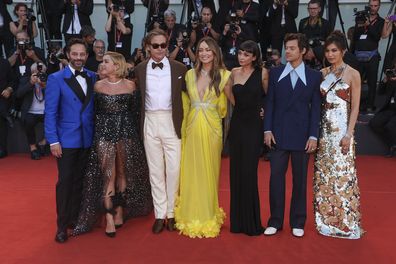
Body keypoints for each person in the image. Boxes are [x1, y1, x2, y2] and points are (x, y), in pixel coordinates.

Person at [73, 52, 152, 237]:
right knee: (108, 174)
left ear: (117, 65)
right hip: (104, 135)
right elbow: (93, 112)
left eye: (106, 62)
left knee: (123, 173)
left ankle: (119, 210)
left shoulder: (131, 85)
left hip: (126, 133)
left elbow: (135, 112)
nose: (102, 64)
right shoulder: (98, 86)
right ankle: (108, 217)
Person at [263, 33, 321, 238]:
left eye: (292, 48)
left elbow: (315, 109)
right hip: (278, 135)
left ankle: (298, 221)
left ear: (303, 51)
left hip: (302, 136)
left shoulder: (314, 76)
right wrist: (267, 130)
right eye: (286, 47)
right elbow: (269, 103)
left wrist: (313, 135)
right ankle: (275, 221)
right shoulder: (275, 72)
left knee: (300, 181)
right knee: (275, 179)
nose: (287, 51)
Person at [175, 37, 231, 238]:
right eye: (200, 50)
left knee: (209, 171)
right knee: (191, 170)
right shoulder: (189, 75)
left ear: (215, 52)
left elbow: (231, 104)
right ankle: (189, 214)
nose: (204, 53)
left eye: (208, 50)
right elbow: (185, 104)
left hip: (212, 129)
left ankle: (208, 216)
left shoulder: (225, 75)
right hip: (191, 127)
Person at [134, 29, 187, 234]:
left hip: (171, 121)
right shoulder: (139, 69)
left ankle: (171, 213)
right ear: (148, 47)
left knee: (173, 170)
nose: (159, 49)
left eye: (163, 45)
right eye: (155, 46)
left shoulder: (179, 68)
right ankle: (159, 214)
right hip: (150, 121)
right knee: (155, 171)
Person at [44, 38, 96, 243]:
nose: (78, 58)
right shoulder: (56, 78)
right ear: (67, 55)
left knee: (80, 182)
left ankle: (75, 219)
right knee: (65, 183)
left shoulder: (93, 76)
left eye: (82, 54)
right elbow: (50, 112)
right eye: (75, 54)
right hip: (66, 140)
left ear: (86, 55)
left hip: (87, 139)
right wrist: (53, 141)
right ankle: (62, 225)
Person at [314, 31, 364, 239]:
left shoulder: (353, 74)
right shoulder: (322, 73)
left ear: (343, 51)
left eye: (334, 50)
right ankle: (326, 220)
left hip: (343, 130)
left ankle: (347, 221)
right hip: (324, 131)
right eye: (327, 51)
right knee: (324, 176)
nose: (331, 54)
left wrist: (349, 134)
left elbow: (355, 108)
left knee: (344, 175)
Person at [225, 40, 268, 236]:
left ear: (254, 57)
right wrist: (240, 106)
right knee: (236, 172)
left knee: (249, 173)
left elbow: (268, 97)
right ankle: (237, 223)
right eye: (240, 53)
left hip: (253, 127)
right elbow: (228, 92)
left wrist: (261, 112)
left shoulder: (263, 73)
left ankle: (251, 222)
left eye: (246, 54)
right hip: (238, 125)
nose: (242, 57)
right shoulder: (233, 72)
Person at [351, 0, 384, 113]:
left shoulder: (381, 21)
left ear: (379, 7)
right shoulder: (361, 17)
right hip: (358, 55)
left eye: (375, 6)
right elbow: (355, 37)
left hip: (372, 55)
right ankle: (356, 105)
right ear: (368, 6)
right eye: (371, 6)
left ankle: (370, 105)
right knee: (356, 82)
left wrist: (369, 25)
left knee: (372, 82)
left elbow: (376, 37)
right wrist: (360, 25)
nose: (373, 8)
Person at [15, 62, 48, 160]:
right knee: (28, 122)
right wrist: (31, 83)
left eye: (41, 73)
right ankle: (33, 148)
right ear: (32, 72)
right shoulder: (25, 80)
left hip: (46, 111)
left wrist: (45, 86)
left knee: (57, 121)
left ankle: (43, 143)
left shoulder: (49, 80)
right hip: (31, 111)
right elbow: (18, 94)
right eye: (36, 73)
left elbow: (55, 95)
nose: (39, 75)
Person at [369, 59, 396, 158]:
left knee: (390, 126)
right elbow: (380, 92)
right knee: (374, 123)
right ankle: (392, 144)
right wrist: (385, 81)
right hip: (390, 108)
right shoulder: (392, 76)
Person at [0, 57, 15, 158]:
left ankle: (2, 149)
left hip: (2, 96)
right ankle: (6, 115)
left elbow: (13, 80)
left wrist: (9, 89)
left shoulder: (4, 63)